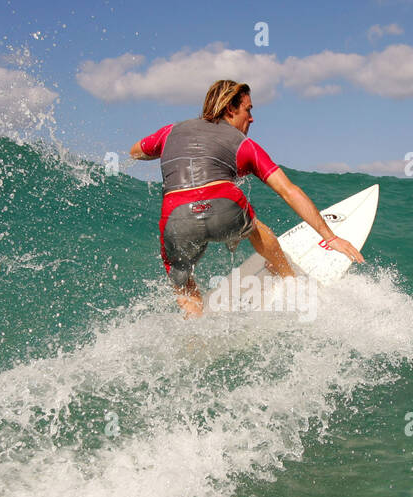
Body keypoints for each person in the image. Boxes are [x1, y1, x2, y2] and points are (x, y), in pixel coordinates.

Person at [130, 79, 364, 318]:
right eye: (248, 110)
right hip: (224, 208)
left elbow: (136, 151)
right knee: (253, 228)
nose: (251, 118)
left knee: (182, 279)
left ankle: (195, 331)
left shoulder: (170, 131)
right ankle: (289, 279)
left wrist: (164, 152)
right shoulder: (243, 144)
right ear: (231, 109)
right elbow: (288, 190)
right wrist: (330, 237)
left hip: (175, 218)